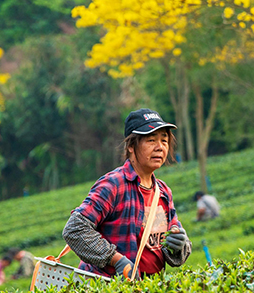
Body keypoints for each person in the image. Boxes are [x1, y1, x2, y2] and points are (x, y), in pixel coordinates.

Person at [62, 108, 192, 280]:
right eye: (151, 140)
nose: (160, 147)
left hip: (147, 289)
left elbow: (173, 243)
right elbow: (74, 230)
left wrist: (180, 244)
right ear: (131, 146)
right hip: (107, 288)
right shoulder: (113, 185)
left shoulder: (163, 192)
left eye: (164, 141)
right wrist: (116, 260)